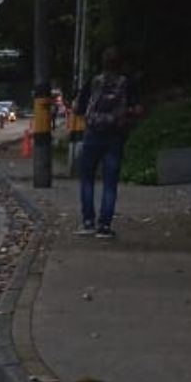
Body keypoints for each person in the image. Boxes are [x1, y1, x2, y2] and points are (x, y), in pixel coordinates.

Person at [73, 48, 141, 239]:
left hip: (93, 134)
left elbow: (79, 107)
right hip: (115, 136)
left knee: (87, 179)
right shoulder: (127, 83)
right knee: (110, 182)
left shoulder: (94, 82)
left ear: (102, 63)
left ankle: (88, 223)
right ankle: (104, 226)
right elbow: (137, 109)